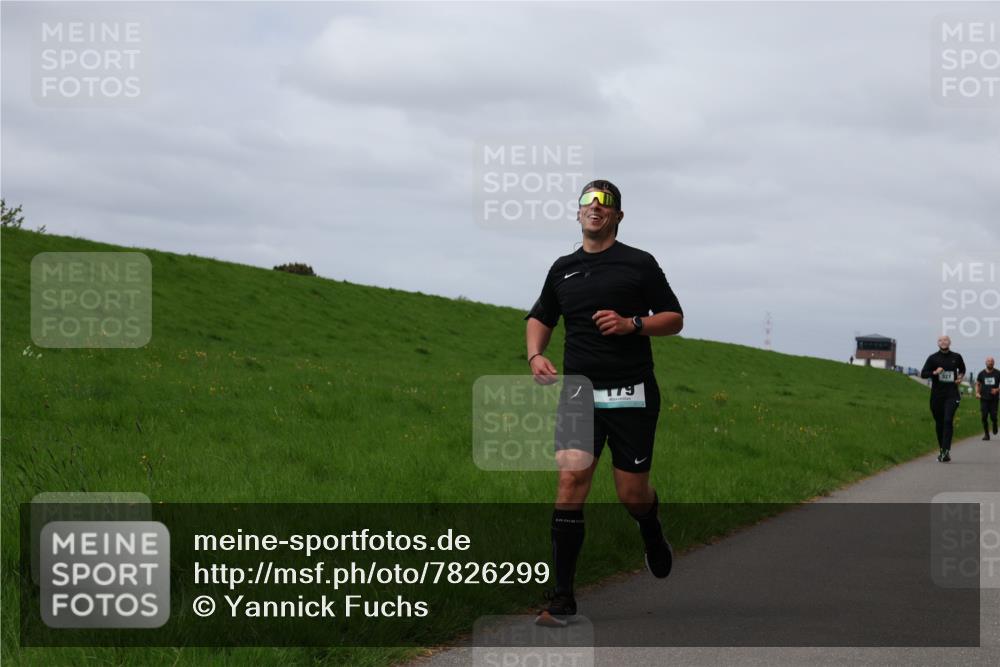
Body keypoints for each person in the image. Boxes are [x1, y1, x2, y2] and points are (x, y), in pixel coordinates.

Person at [524, 180, 684, 625]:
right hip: (579, 394)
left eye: (605, 202)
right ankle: (562, 599)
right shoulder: (562, 269)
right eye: (587, 202)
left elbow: (674, 319)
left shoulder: (639, 264)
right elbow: (541, 316)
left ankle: (650, 528)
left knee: (631, 494)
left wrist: (633, 324)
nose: (595, 208)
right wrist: (536, 354)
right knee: (571, 484)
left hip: (631, 393)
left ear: (617, 215)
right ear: (578, 214)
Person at [920, 336, 966, 462]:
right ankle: (942, 450)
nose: (943, 342)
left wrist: (960, 378)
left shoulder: (956, 357)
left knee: (947, 421)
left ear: (950, 342)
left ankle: (946, 451)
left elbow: (962, 369)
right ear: (937, 343)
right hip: (937, 396)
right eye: (941, 340)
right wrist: (935, 372)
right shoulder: (933, 358)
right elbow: (923, 373)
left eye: (946, 340)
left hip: (952, 395)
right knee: (940, 424)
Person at [975, 357, 1000, 441]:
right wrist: (977, 393)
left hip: (994, 399)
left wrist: (997, 389)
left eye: (992, 361)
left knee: (993, 416)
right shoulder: (981, 373)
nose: (990, 363)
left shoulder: (998, 373)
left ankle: (995, 423)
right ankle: (986, 435)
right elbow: (978, 384)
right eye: (989, 361)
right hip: (984, 399)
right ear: (986, 363)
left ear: (994, 363)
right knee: (984, 417)